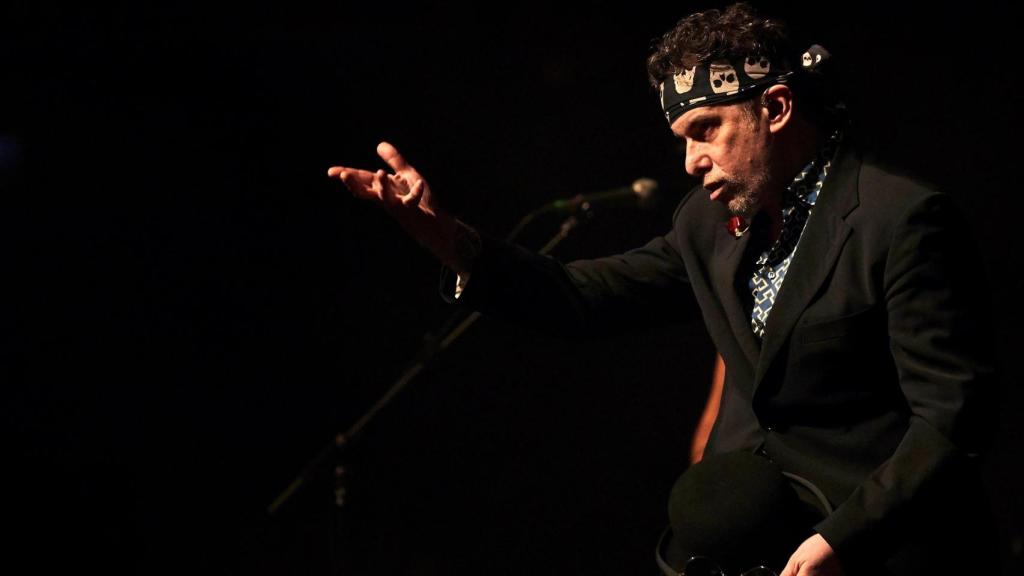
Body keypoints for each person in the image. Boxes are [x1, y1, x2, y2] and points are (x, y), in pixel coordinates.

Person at [327, 4, 995, 575]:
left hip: (879, 551)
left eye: (707, 130)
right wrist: (449, 240)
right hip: (753, 547)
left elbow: (949, 420)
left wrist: (840, 539)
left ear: (778, 107)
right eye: (681, 138)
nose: (689, 160)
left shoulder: (898, 219)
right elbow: (580, 296)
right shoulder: (708, 224)